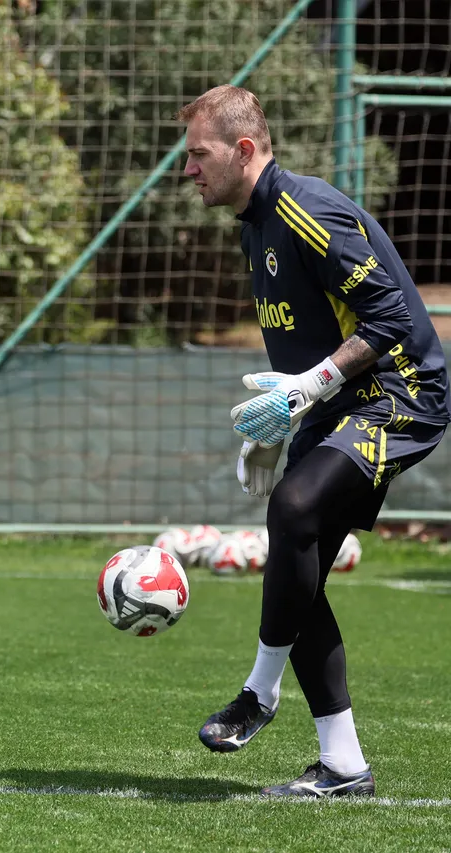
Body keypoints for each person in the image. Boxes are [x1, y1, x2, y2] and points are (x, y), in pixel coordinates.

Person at [176, 84, 450, 798]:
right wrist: (283, 420)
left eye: (198, 154)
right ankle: (344, 766)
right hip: (337, 404)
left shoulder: (306, 210)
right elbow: (304, 344)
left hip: (403, 390)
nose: (187, 170)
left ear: (243, 150)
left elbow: (390, 317)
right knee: (295, 571)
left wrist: (307, 388)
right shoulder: (252, 224)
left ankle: (257, 694)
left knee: (293, 510)